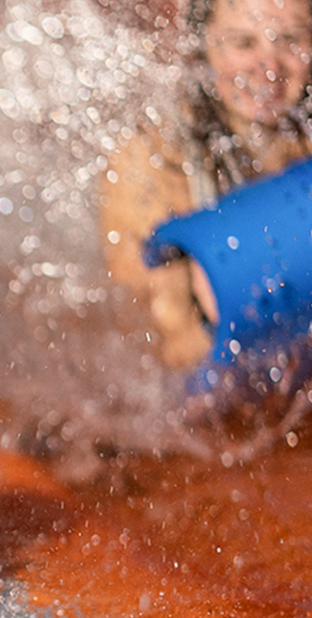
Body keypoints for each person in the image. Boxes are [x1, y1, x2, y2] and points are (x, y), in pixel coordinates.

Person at [102, 0, 312, 369]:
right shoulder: (152, 164)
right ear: (204, 46)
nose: (269, 66)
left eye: (290, 39)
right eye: (243, 43)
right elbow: (158, 353)